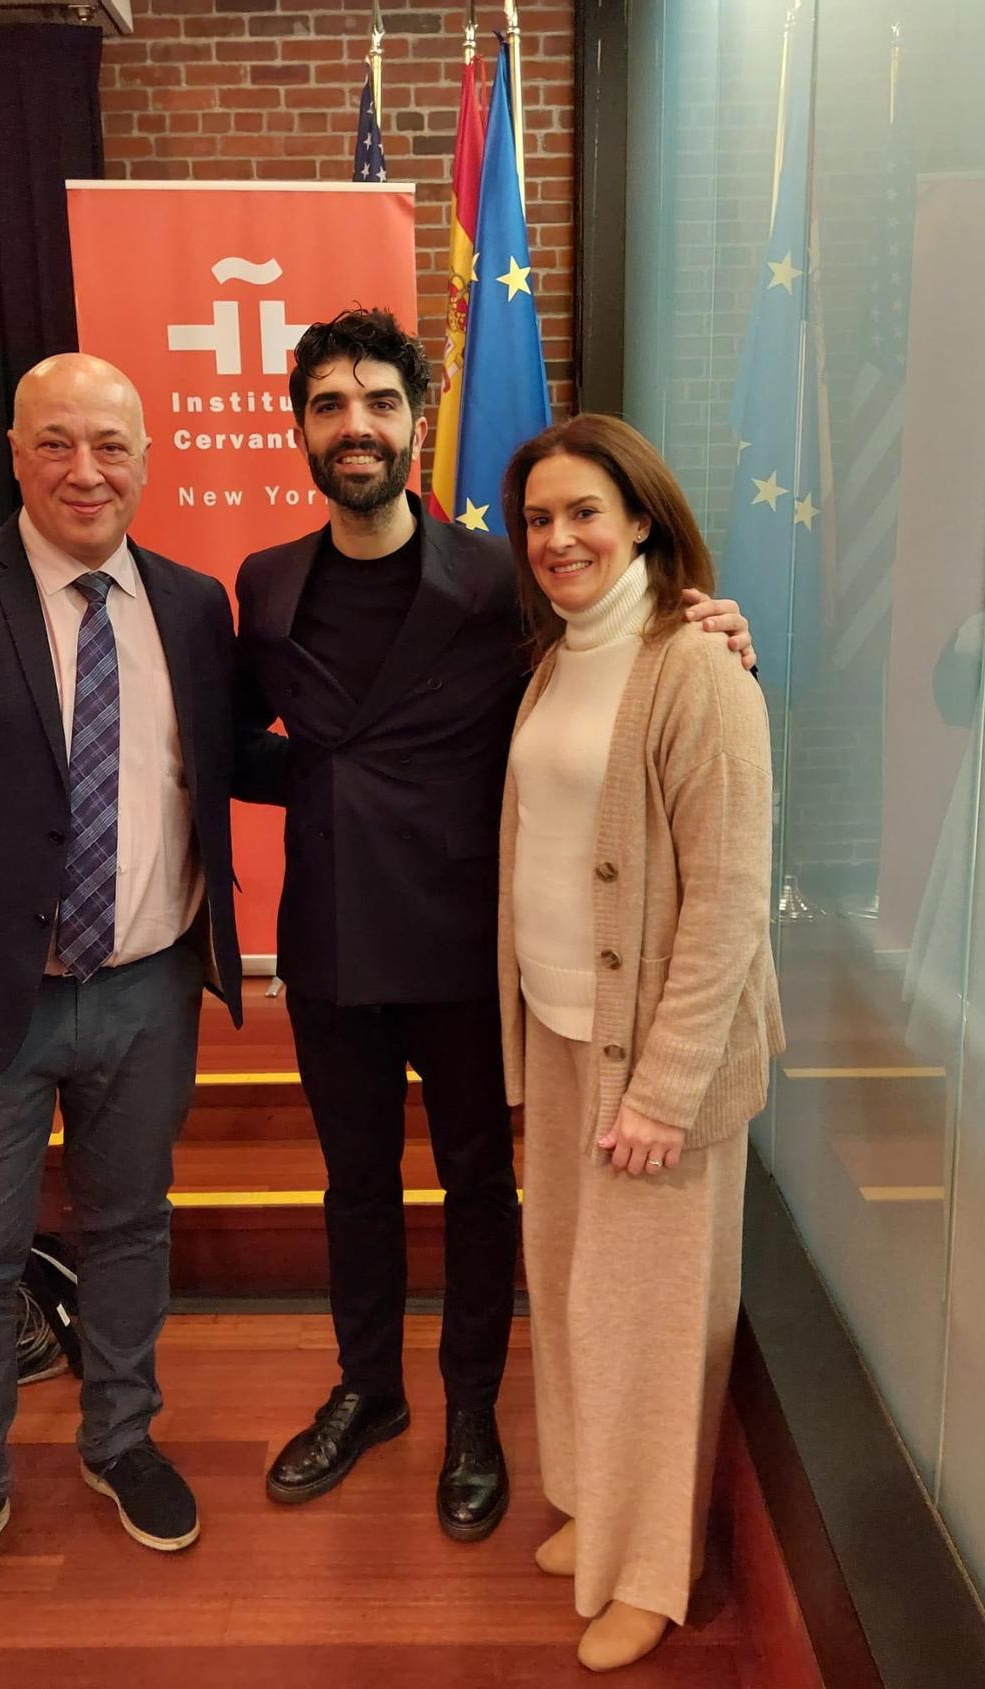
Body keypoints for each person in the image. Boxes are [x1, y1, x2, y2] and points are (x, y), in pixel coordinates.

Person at [234, 310, 756, 1542]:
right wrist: (323, 780)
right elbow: (233, 741)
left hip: (473, 948)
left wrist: (718, 635)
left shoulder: (496, 579)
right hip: (329, 939)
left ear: (419, 424)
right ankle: (369, 1391)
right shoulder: (263, 583)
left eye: (377, 402)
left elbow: (623, 675)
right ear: (300, 426)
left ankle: (472, 1408)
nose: (353, 426)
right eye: (328, 405)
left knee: (479, 1184)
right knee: (353, 1183)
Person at [0, 353, 281, 1646]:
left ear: (146, 457)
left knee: (133, 1226)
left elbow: (240, 760)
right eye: (60, 443)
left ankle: (120, 1437)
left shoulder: (193, 607)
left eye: (113, 445)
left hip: (147, 992)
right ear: (17, 452)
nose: (89, 469)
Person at [495, 414, 784, 1671]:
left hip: (654, 1063)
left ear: (643, 522)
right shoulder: (560, 658)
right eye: (539, 520)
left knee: (652, 1325)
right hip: (565, 1033)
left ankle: (651, 1573)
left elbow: (727, 902)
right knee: (568, 1291)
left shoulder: (698, 670)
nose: (558, 540)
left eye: (583, 515)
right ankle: (593, 1508)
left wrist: (663, 1094)